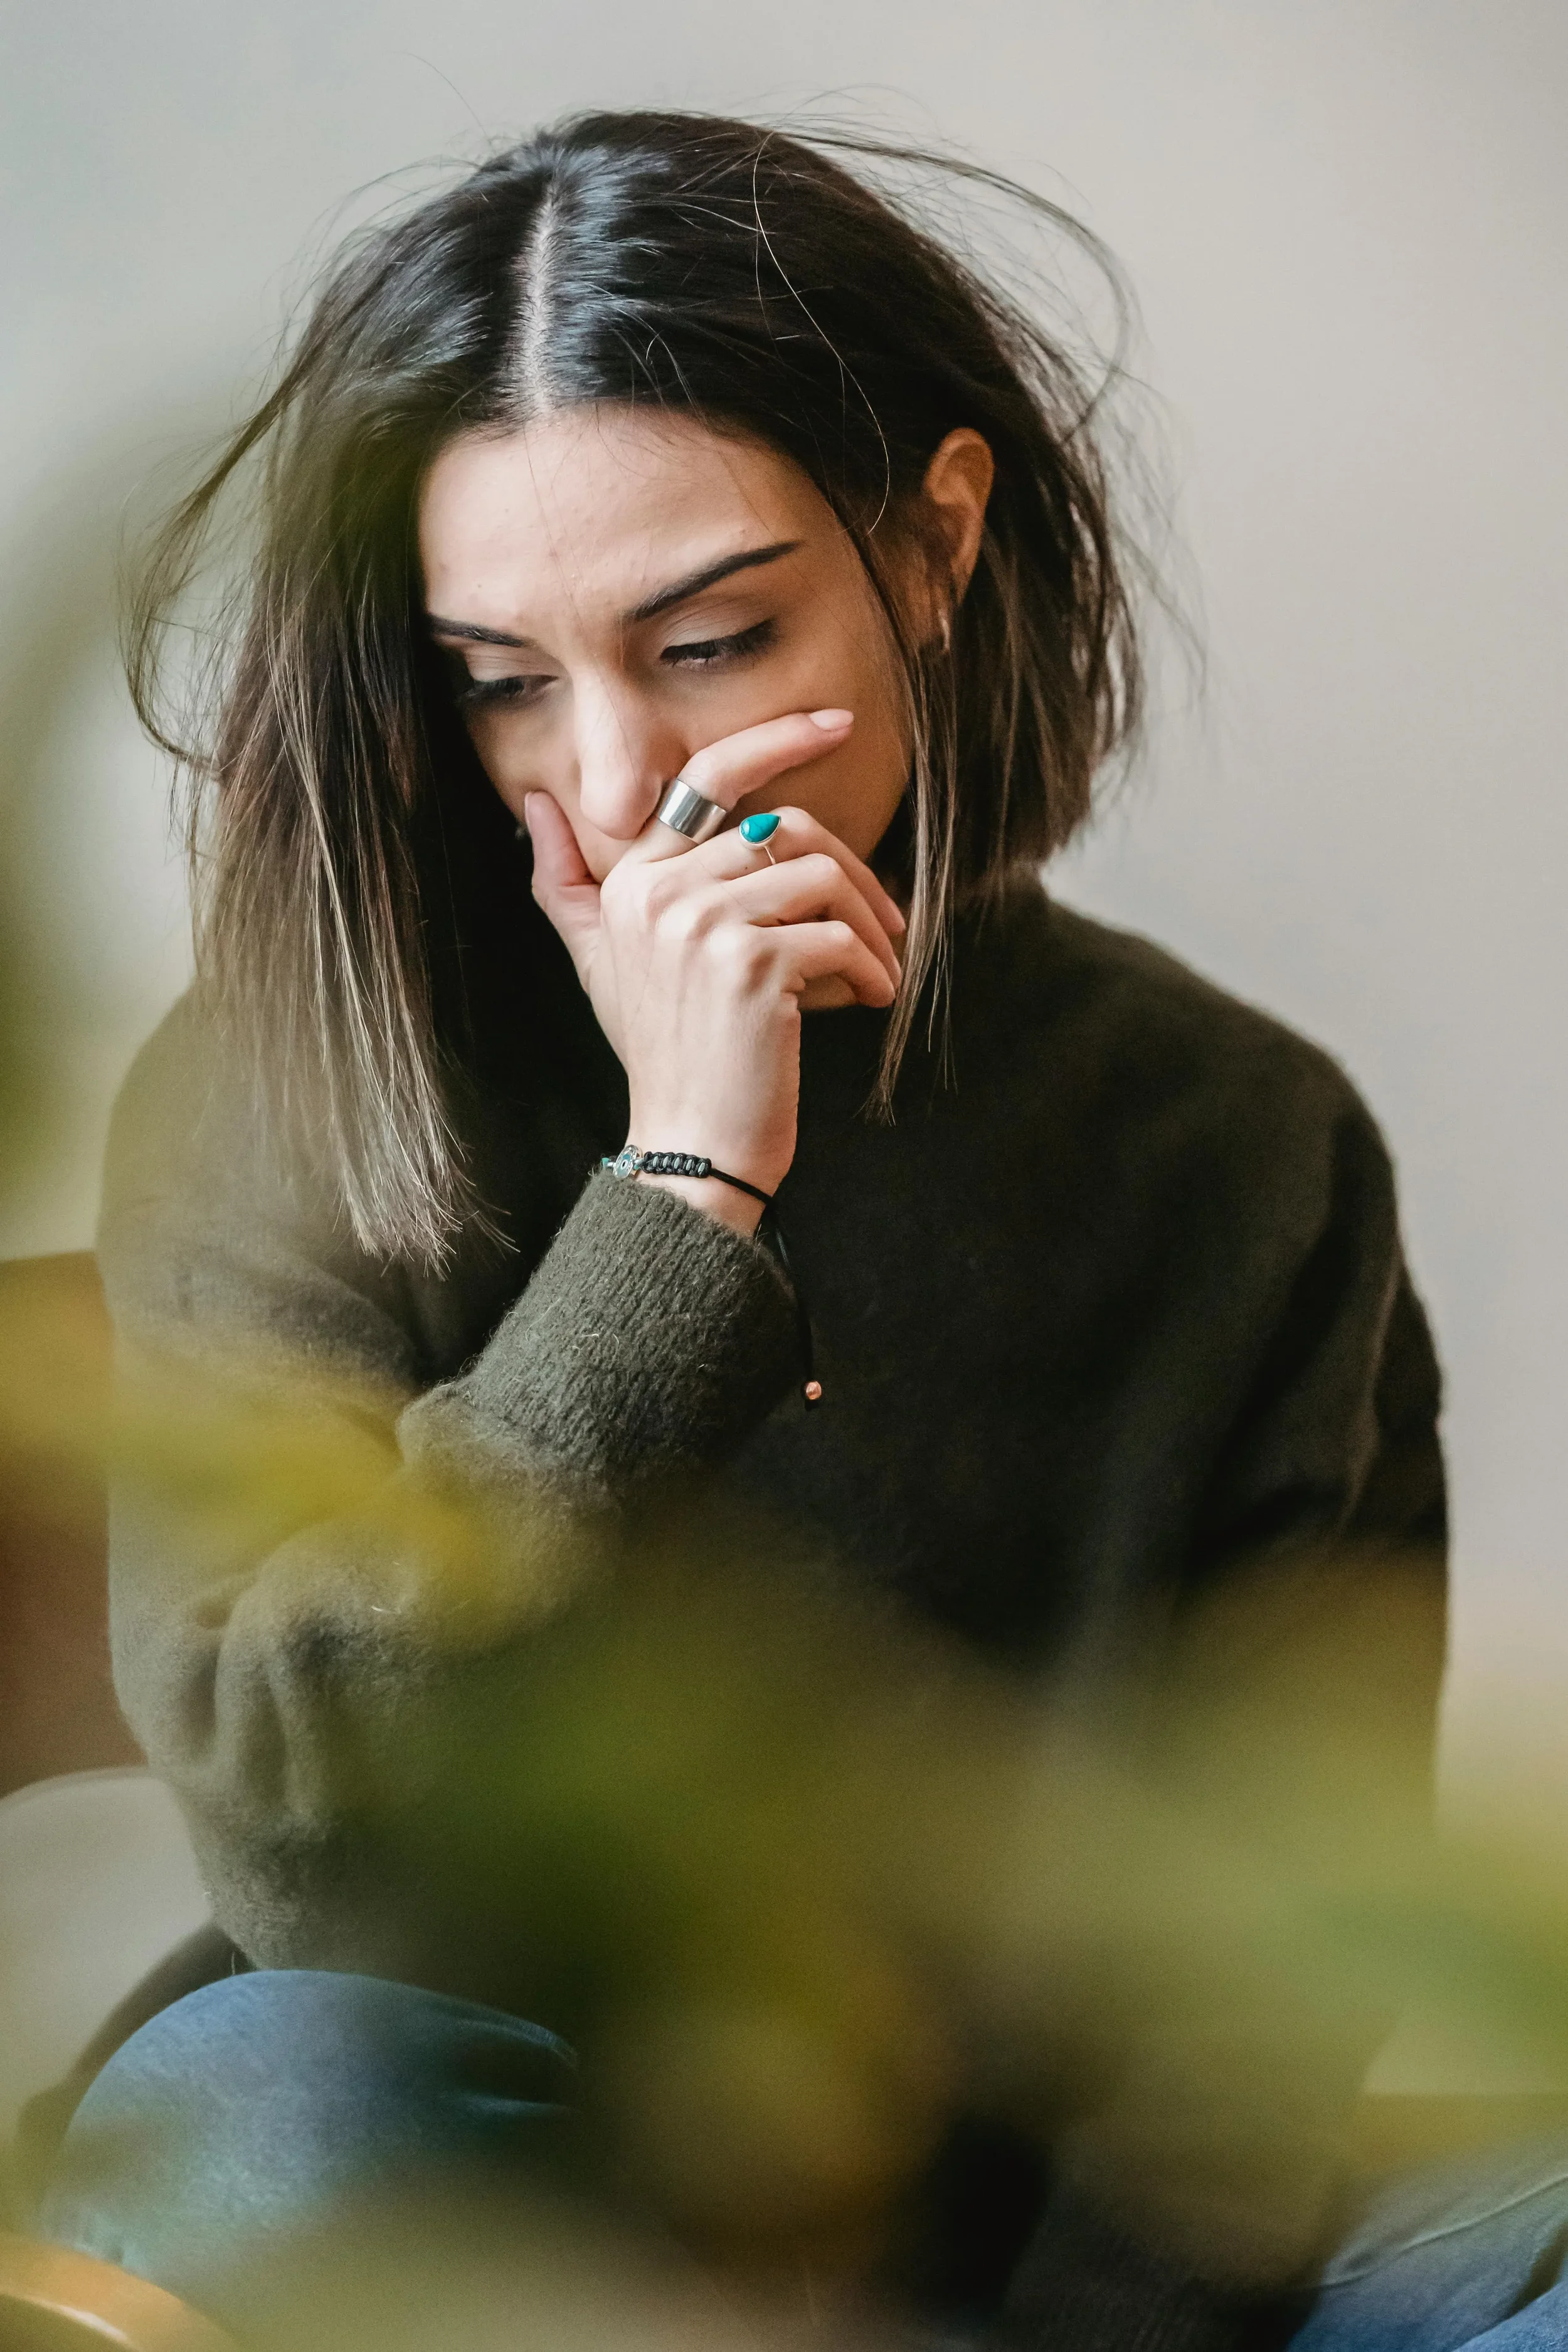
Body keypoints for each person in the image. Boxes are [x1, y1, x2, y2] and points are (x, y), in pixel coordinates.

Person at [38, 106, 1542, 2352]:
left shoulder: (1240, 1146)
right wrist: (682, 1189)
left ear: (932, 546)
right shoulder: (295, 1081)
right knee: (272, 2096)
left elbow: (1252, 1996)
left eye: (715, 639)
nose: (613, 781)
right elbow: (320, 1868)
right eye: (501, 679)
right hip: (464, 2193)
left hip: (1012, 2253)